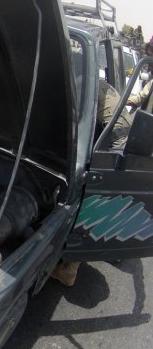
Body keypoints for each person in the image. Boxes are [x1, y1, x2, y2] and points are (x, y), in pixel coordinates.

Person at [52, 79, 133, 286]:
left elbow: (121, 142)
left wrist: (103, 173)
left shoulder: (94, 88)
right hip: (84, 141)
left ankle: (69, 270)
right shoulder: (72, 77)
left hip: (109, 149)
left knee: (92, 203)